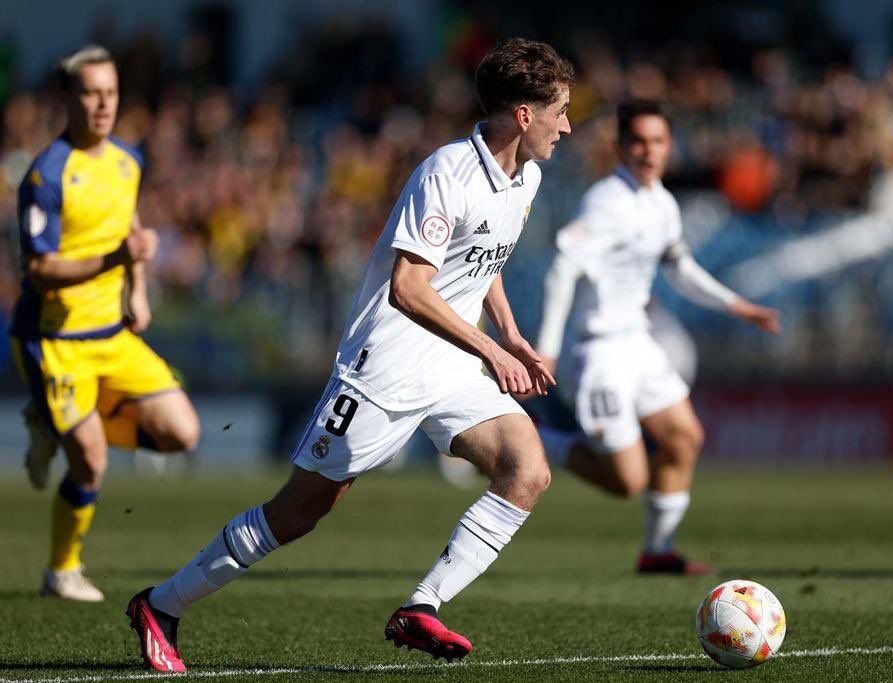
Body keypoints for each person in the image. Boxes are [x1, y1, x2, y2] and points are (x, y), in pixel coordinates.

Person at [125, 38, 573, 672]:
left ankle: (422, 606)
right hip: (384, 368)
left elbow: (483, 257)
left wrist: (511, 334)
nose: (567, 126)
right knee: (299, 513)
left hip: (451, 365)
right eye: (559, 111)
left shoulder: (526, 177)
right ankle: (161, 604)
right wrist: (490, 349)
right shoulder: (447, 174)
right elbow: (408, 286)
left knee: (527, 470)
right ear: (524, 115)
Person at [534, 100, 781, 576]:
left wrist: (736, 304)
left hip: (639, 343)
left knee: (684, 437)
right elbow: (562, 267)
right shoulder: (607, 202)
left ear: (670, 146)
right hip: (598, 350)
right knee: (627, 481)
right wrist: (546, 348)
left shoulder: (662, 203)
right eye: (639, 142)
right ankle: (539, 435)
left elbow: (679, 267)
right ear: (621, 147)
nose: (649, 151)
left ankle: (658, 551)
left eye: (658, 141)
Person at [10, 45, 200, 603]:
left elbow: (127, 224)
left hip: (112, 334)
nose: (103, 104)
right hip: (55, 340)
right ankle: (61, 571)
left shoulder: (127, 161)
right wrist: (116, 260)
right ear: (67, 99)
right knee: (90, 462)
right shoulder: (46, 175)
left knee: (182, 433)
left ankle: (58, 425)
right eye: (91, 93)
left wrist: (136, 288)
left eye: (111, 93)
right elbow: (39, 270)